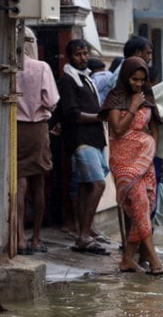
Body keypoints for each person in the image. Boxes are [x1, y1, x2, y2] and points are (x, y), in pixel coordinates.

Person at [99, 57, 163, 275]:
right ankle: (154, 260)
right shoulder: (116, 98)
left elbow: (154, 126)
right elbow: (118, 129)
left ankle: (128, 259)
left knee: (146, 206)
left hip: (144, 160)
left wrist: (150, 147)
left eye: (142, 80)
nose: (138, 84)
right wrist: (133, 106)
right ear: (125, 77)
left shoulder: (146, 97)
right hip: (123, 161)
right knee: (138, 204)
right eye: (134, 79)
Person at [57, 39, 110, 255]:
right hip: (81, 140)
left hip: (95, 139)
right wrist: (99, 117)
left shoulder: (85, 78)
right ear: (70, 57)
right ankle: (85, 235)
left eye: (85, 53)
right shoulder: (68, 81)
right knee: (97, 185)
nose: (83, 57)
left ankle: (83, 235)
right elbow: (72, 114)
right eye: (79, 54)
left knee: (85, 187)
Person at [15, 27, 60, 255]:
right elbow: (51, 101)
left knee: (19, 183)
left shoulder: (9, 67)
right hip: (38, 129)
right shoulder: (41, 67)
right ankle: (35, 240)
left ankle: (19, 237)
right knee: (39, 183)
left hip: (14, 129)